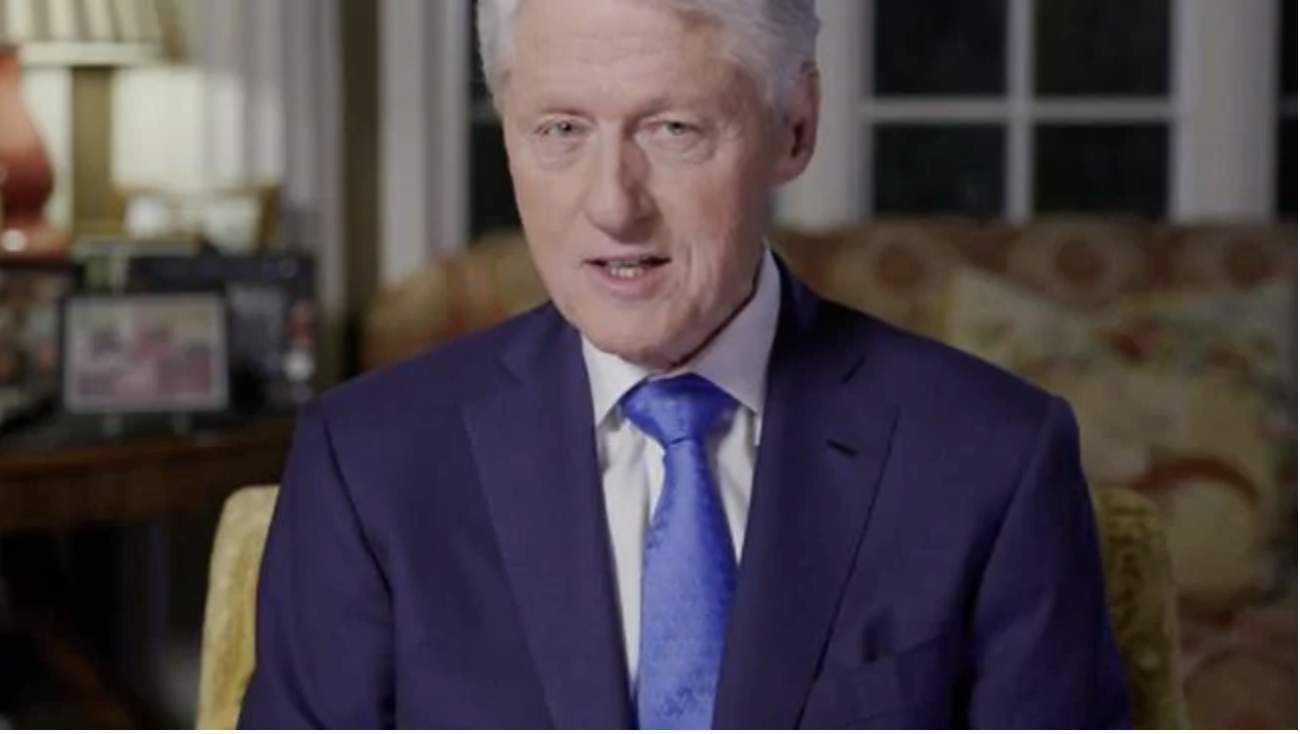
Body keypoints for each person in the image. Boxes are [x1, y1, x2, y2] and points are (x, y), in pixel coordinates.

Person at [238, 0, 1133, 728]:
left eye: (671, 129)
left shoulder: (992, 456)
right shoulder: (367, 462)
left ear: (795, 126)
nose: (612, 205)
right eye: (559, 129)